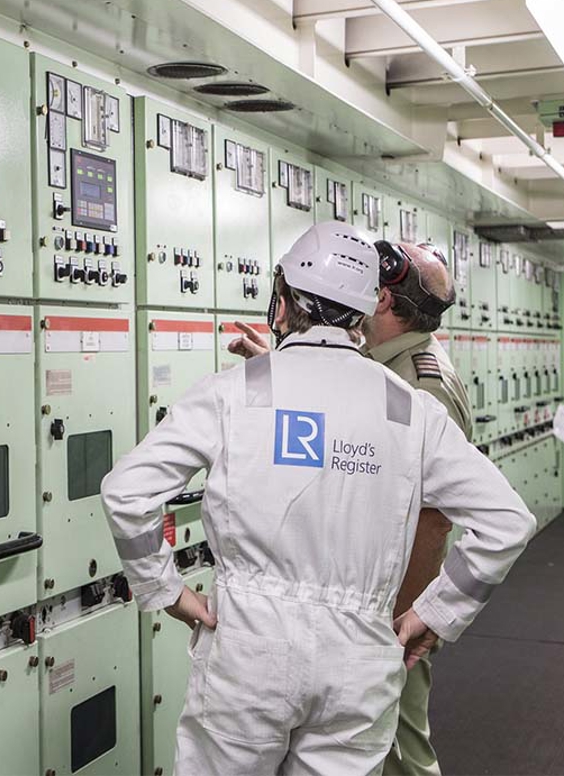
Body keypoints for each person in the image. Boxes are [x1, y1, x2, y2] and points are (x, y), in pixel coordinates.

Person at [102, 221, 536, 776]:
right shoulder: (407, 408)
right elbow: (508, 522)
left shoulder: (235, 392)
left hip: (247, 657)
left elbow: (126, 492)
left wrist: (165, 590)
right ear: (364, 311)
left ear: (281, 302)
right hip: (359, 664)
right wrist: (436, 612)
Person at [230, 237, 472, 775]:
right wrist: (286, 369)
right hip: (355, 610)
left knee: (400, 752)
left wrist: (403, 624)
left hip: (384, 620)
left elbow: (431, 523)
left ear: (381, 299)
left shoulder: (419, 385)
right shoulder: (389, 365)